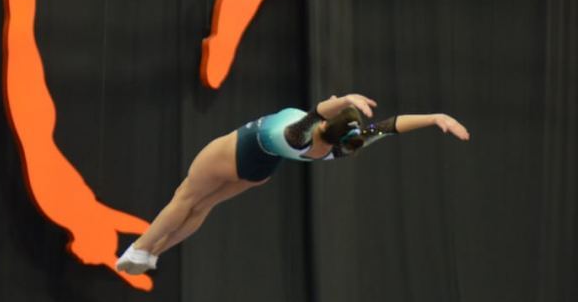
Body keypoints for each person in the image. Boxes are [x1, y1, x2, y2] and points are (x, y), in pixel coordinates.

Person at [117, 94, 469, 274]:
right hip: (258, 171)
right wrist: (435, 117)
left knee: (186, 198)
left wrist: (345, 100)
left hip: (233, 151)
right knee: (203, 206)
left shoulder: (299, 133)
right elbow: (390, 126)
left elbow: (320, 109)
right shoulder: (343, 148)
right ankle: (154, 255)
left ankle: (140, 249)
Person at [1, 0, 153, 292]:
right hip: (33, 117)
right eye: (90, 254)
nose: (82, 257)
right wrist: (149, 242)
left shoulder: (79, 215)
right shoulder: (81, 215)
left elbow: (126, 235)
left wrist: (141, 251)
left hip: (31, 118)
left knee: (22, 26)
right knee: (21, 26)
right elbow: (124, 234)